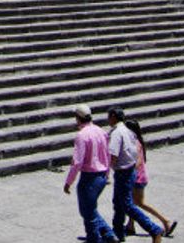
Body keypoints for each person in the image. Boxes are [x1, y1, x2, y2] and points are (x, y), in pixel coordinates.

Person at [107, 108, 163, 242]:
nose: (108, 119)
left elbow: (113, 155)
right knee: (118, 203)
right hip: (130, 170)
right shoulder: (128, 131)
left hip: (123, 172)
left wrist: (106, 172)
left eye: (109, 116)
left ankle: (154, 229)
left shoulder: (117, 133)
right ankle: (118, 232)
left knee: (127, 205)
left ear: (114, 117)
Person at [64, 104, 118, 243]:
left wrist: (69, 182)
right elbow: (107, 154)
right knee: (89, 209)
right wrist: (107, 174)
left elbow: (77, 162)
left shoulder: (82, 136)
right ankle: (109, 234)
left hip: (89, 177)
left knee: (87, 213)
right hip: (101, 175)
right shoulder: (101, 131)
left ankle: (95, 238)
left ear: (78, 118)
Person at [123, 119, 177, 238]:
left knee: (139, 203)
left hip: (137, 179)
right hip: (140, 178)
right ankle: (130, 225)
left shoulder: (135, 143)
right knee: (132, 203)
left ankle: (165, 221)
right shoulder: (137, 141)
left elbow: (137, 162)